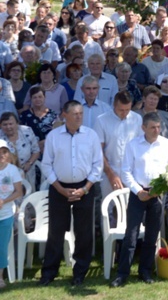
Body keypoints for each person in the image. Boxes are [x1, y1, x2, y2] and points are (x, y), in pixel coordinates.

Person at [40, 101, 103, 287]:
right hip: (59, 188)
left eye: (81, 113)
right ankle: (49, 272)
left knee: (84, 232)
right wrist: (60, 189)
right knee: (56, 231)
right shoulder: (53, 136)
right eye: (75, 113)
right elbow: (46, 165)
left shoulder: (91, 136)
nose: (79, 117)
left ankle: (80, 272)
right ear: (64, 115)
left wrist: (85, 189)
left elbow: (97, 165)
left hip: (85, 187)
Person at [111, 112, 168, 287]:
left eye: (158, 127)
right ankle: (122, 273)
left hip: (157, 194)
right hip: (137, 194)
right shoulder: (133, 145)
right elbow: (125, 171)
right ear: (143, 128)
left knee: (151, 236)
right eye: (153, 127)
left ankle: (145, 271)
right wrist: (138, 191)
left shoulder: (167, 145)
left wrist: (159, 189)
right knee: (131, 235)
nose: (157, 130)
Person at [94, 91, 143, 199]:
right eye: (121, 110)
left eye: (128, 110)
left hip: (132, 173)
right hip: (108, 171)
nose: (124, 113)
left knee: (130, 210)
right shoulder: (102, 120)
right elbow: (98, 151)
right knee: (107, 210)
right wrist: (111, 174)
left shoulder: (137, 119)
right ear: (114, 105)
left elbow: (140, 146)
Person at [0, 141, 22, 289]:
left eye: (4, 152)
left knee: (1, 247)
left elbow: (19, 192)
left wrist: (4, 201)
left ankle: (0, 277)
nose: (1, 155)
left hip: (5, 214)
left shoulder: (12, 170)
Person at [0, 112, 40, 189]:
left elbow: (36, 151)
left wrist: (29, 163)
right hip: (5, 174)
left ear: (17, 123)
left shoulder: (27, 131)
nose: (8, 127)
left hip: (27, 170)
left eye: (11, 124)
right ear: (0, 125)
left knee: (29, 195)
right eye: (5, 124)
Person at [20, 86, 59, 151]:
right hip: (31, 151)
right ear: (31, 99)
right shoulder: (24, 115)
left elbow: (57, 134)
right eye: (34, 97)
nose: (37, 99)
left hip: (50, 150)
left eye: (40, 97)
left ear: (44, 97)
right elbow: (21, 136)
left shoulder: (53, 115)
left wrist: (44, 143)